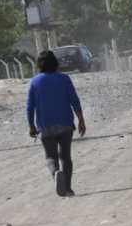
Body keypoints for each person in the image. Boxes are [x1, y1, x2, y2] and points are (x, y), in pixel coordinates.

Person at [26, 50, 87, 197]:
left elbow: (30, 106)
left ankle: (56, 173)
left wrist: (31, 125)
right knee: (66, 157)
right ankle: (68, 189)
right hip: (65, 124)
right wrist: (81, 120)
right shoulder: (64, 79)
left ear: (39, 65)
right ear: (55, 63)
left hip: (45, 126)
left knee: (50, 157)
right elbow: (74, 100)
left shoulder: (34, 82)